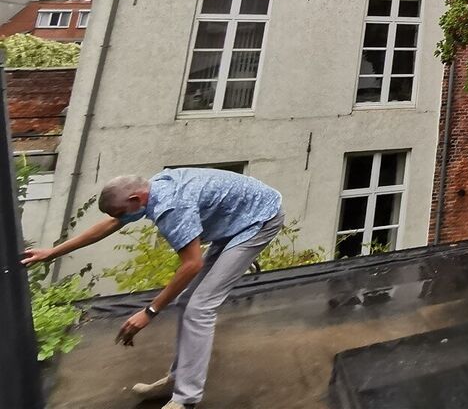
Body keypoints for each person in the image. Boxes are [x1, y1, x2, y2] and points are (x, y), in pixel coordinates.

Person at [22, 167, 283, 407]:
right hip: (234, 219)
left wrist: (149, 312)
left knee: (200, 308)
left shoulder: (171, 207)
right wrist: (53, 252)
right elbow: (111, 224)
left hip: (259, 220)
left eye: (120, 213)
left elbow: (191, 264)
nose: (119, 219)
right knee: (186, 302)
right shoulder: (152, 187)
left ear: (136, 200)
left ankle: (186, 398)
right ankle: (178, 379)